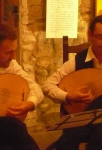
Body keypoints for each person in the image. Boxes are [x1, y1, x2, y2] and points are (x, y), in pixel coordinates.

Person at [42, 15, 102, 150]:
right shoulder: (76, 62)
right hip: (81, 122)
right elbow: (47, 86)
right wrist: (68, 96)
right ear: (90, 35)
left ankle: (62, 144)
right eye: (101, 37)